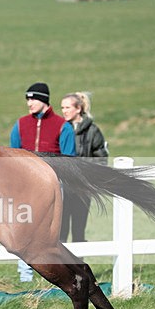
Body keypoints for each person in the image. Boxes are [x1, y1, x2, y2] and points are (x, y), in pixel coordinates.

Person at [10, 82, 75, 281]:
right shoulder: (20, 124)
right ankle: (25, 276)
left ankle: (59, 273)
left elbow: (69, 159)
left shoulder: (63, 127)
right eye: (27, 99)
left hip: (52, 187)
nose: (29, 103)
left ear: (44, 100)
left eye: (33, 99)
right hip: (24, 189)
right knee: (22, 229)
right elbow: (11, 157)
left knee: (53, 231)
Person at [59, 91, 108, 243]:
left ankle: (78, 265)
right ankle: (61, 265)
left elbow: (101, 158)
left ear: (78, 109)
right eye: (62, 108)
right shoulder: (60, 129)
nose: (64, 111)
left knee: (78, 230)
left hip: (82, 188)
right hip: (62, 187)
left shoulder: (93, 131)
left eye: (67, 107)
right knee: (61, 230)